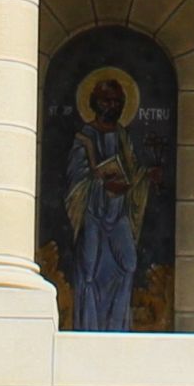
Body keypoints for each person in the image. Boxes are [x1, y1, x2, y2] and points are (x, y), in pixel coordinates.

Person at [61, 70, 152, 332]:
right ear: (94, 102)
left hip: (119, 211)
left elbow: (132, 171)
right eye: (106, 101)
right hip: (93, 212)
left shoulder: (122, 135)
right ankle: (88, 327)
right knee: (89, 271)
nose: (112, 106)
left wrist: (146, 178)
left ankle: (117, 326)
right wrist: (100, 184)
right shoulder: (84, 138)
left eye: (116, 101)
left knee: (128, 263)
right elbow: (75, 178)